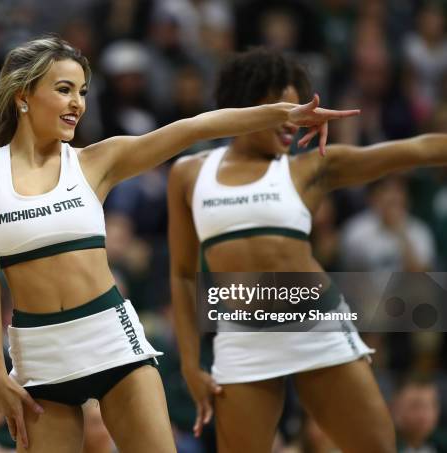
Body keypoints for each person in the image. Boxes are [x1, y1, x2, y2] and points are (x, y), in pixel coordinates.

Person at [0, 36, 357, 452]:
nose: (78, 103)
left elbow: (192, 128)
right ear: (24, 95)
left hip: (112, 341)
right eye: (64, 90)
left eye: (83, 92)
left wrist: (282, 113)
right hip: (39, 357)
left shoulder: (95, 162)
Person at [168, 47, 447, 453]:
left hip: (316, 326)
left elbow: (414, 150)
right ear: (247, 106)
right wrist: (190, 364)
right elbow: (181, 273)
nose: (296, 124)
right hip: (243, 339)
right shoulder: (190, 174)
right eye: (288, 109)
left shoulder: (307, 167)